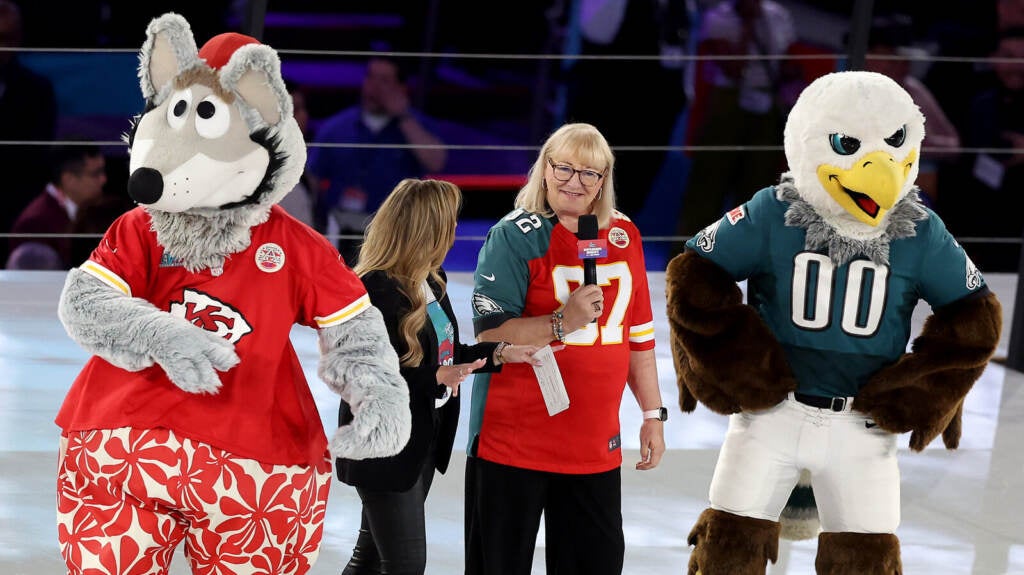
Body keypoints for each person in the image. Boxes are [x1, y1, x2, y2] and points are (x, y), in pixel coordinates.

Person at [464, 122, 667, 575]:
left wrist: (653, 415)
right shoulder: (514, 236)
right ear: (545, 170)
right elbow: (490, 335)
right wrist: (563, 321)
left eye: (589, 174)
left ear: (603, 182)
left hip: (594, 444)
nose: (575, 182)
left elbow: (639, 337)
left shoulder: (624, 235)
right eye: (564, 169)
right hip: (514, 441)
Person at [335, 178, 541, 575]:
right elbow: (364, 378)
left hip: (421, 441)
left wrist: (499, 352)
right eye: (449, 224)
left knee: (370, 559)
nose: (454, 233)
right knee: (404, 565)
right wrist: (437, 377)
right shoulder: (373, 290)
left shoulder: (430, 280)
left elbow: (443, 355)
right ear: (426, 230)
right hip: (386, 447)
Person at [674, 0, 798, 242]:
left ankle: (743, 260)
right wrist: (749, 23)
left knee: (755, 192)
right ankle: (685, 256)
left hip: (767, 106)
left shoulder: (778, 16)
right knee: (706, 189)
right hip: (728, 103)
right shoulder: (718, 18)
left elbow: (788, 63)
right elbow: (732, 67)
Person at [308, 54, 447, 265]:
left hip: (396, 233)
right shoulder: (337, 128)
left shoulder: (415, 127)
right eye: (371, 77)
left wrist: (402, 116)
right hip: (341, 232)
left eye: (384, 80)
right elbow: (312, 180)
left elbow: (436, 162)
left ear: (401, 88)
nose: (374, 87)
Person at [864, 13, 961, 207]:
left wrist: (914, 142)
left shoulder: (912, 89)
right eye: (892, 60)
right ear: (868, 57)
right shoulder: (843, 87)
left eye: (906, 60)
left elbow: (953, 146)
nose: (903, 67)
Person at [0, 0, 57, 265]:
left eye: (7, 38)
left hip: (16, 201)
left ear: (19, 39)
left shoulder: (37, 90)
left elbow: (38, 151)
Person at [6, 144, 106, 269]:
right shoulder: (34, 224)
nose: (103, 179)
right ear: (69, 179)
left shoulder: (91, 211)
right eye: (95, 174)